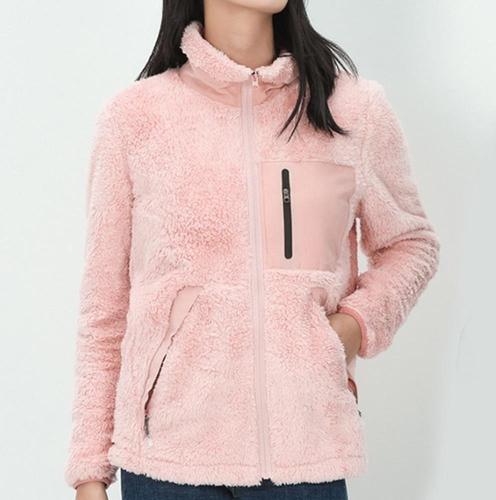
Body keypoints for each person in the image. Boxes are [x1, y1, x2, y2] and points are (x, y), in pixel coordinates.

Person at [64, 1, 440, 499]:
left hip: (304, 453)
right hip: (167, 460)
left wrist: (353, 326)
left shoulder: (352, 109)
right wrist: (90, 471)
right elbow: (105, 308)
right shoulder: (135, 118)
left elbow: (411, 245)